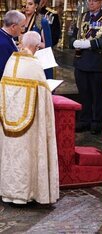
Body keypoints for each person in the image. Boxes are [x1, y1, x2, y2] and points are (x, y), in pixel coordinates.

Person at [0, 31, 59, 204]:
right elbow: (43, 95)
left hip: (8, 121)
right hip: (30, 126)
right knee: (28, 154)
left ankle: (8, 191)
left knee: (11, 155)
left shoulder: (12, 60)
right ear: (35, 46)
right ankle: (28, 193)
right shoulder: (33, 65)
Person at [72, 0, 102, 134]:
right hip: (80, 61)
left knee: (96, 94)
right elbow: (73, 34)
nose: (91, 3)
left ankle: (96, 121)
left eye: (94, 1)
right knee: (83, 93)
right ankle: (84, 120)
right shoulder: (82, 16)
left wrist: (90, 44)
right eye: (89, 0)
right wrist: (74, 42)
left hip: (96, 61)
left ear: (101, 2)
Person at [0, 10, 26, 79]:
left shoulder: (5, 35)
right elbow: (4, 70)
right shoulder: (3, 44)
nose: (23, 30)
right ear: (13, 27)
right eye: (22, 26)